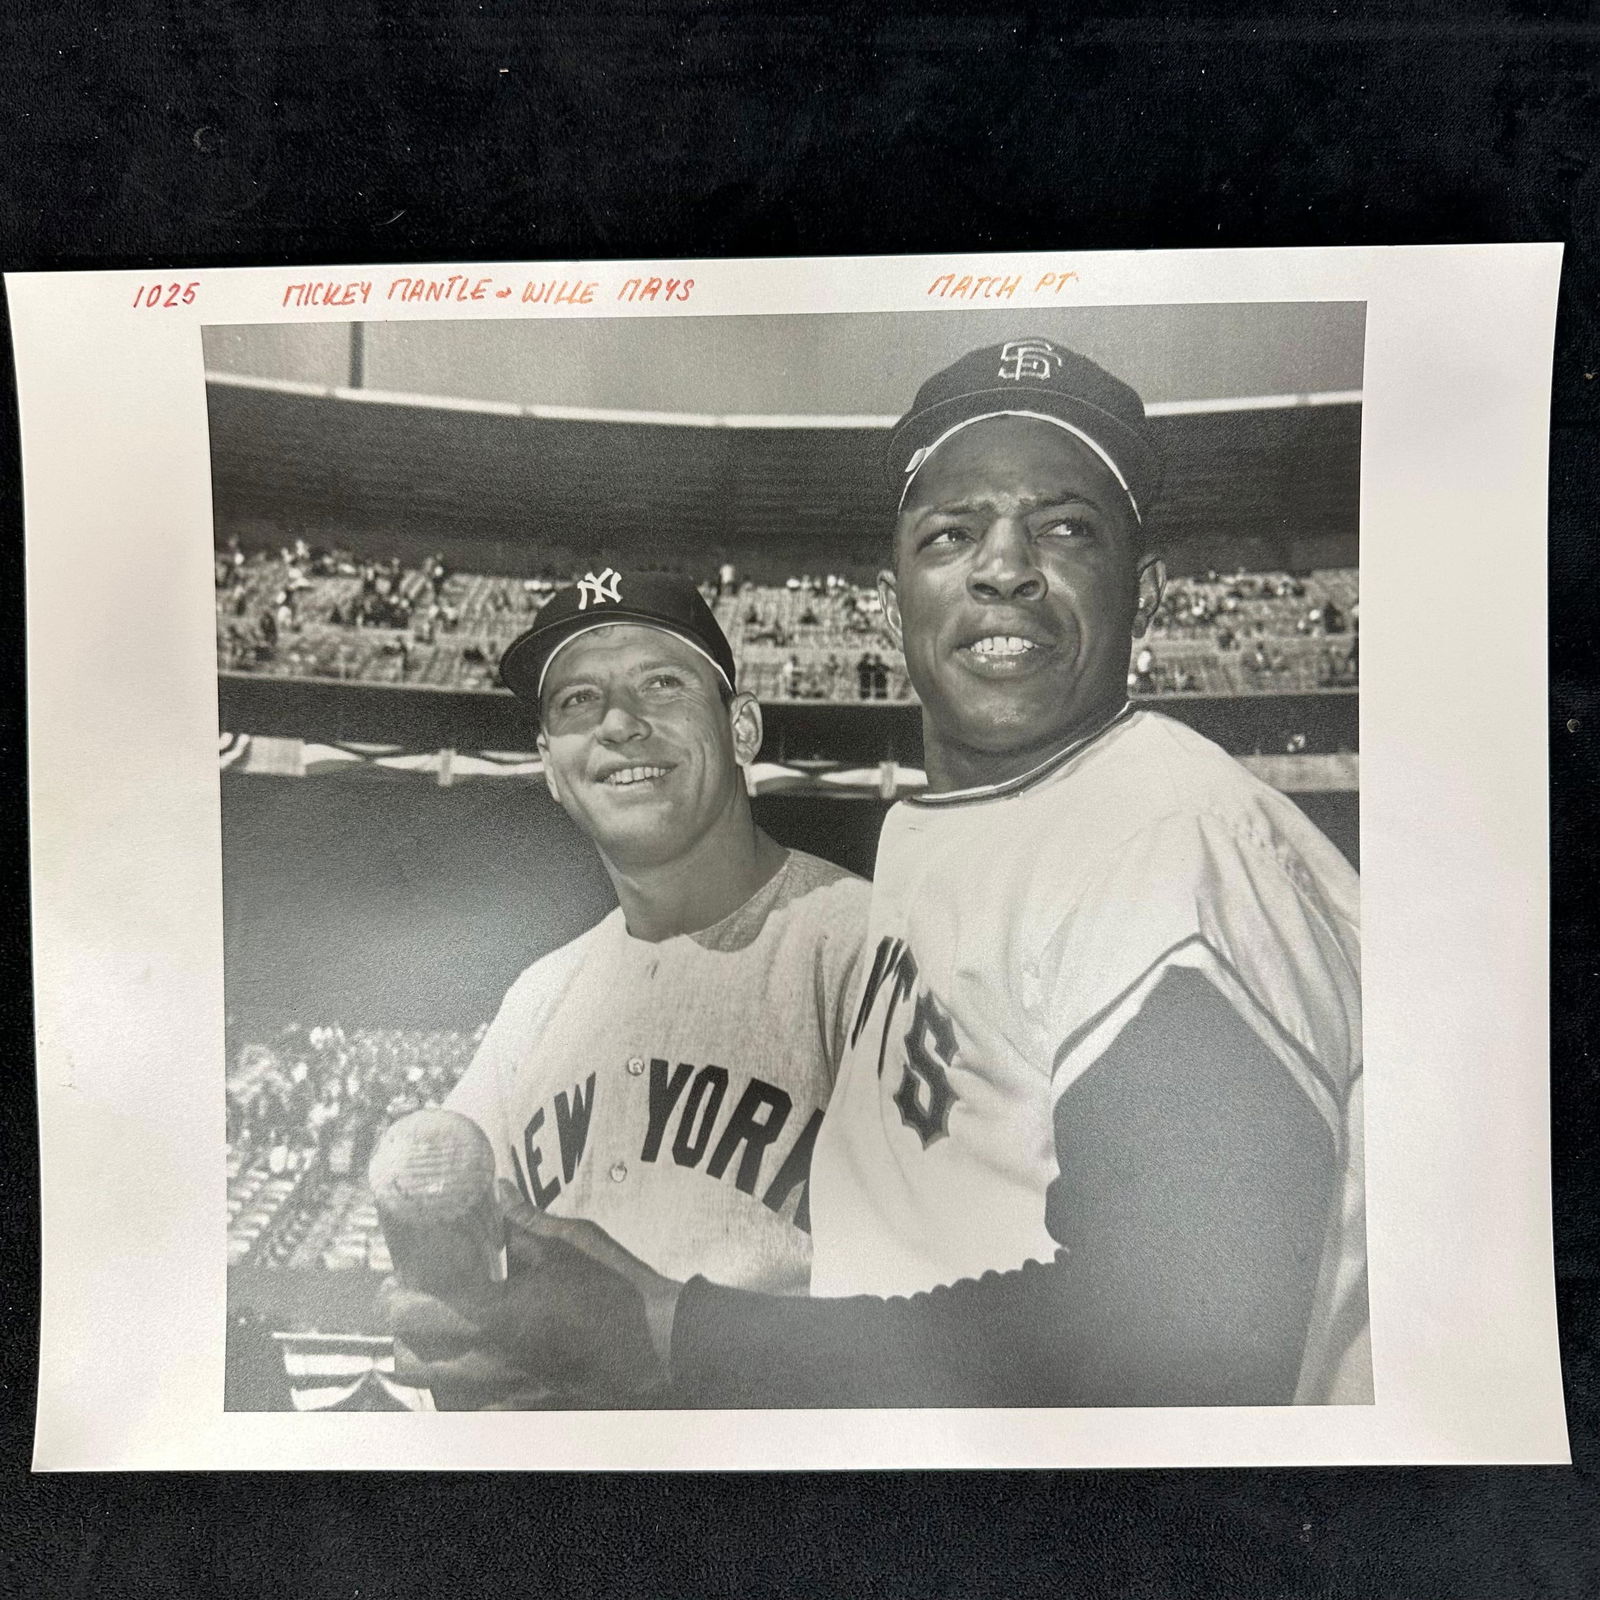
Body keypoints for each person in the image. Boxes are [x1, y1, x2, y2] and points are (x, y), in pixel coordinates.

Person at [393, 341, 1366, 1411]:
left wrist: (673, 1332)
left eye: (1065, 527)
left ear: (1143, 589)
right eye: (952, 532)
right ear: (888, 591)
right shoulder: (958, 853)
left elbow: (1186, 1344)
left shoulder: (1160, 831)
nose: (1003, 566)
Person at [383, 571, 869, 1402]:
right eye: (577, 701)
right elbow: (452, 1288)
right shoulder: (535, 1001)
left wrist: (663, 1337)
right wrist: (449, 1330)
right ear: (550, 766)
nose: (619, 722)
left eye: (661, 684)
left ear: (742, 727)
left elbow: (979, 1340)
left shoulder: (871, 945)